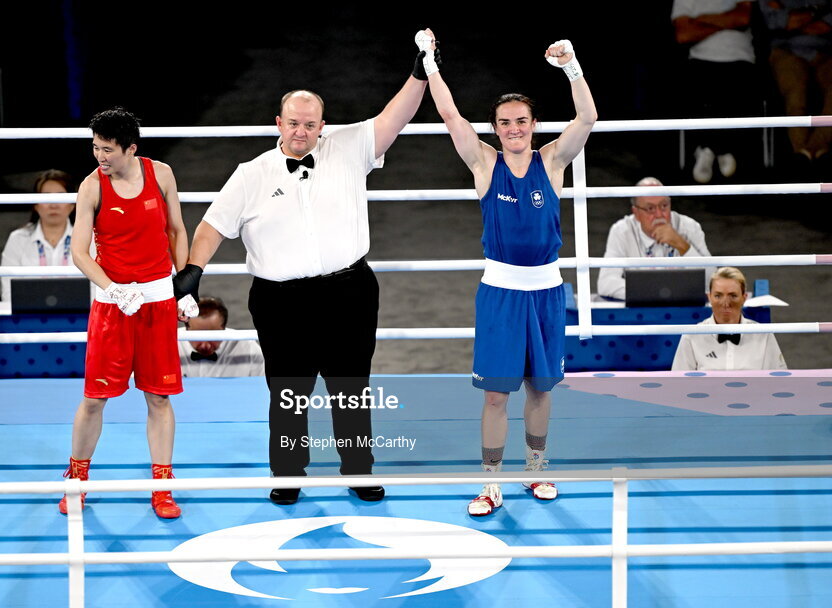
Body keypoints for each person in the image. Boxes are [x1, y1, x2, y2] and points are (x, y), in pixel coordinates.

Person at [173, 47, 432, 506]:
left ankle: (358, 469)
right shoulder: (250, 174)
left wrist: (419, 72)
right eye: (293, 123)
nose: (301, 131)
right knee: (287, 389)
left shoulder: (350, 147)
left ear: (322, 126)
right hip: (280, 300)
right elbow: (212, 226)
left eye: (310, 124)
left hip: (349, 290)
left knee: (351, 385)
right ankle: (289, 473)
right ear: (279, 123)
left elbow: (397, 116)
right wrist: (194, 269)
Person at [422, 30, 597, 515]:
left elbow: (588, 118)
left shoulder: (553, 161)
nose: (514, 128)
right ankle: (490, 483)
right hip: (500, 291)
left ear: (534, 124)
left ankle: (536, 470)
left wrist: (572, 66)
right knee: (497, 394)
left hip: (545, 291)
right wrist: (430, 61)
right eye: (505, 122)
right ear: (495, 128)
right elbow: (449, 115)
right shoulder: (483, 162)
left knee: (541, 388)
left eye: (521, 120)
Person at [60, 107, 191, 518]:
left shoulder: (162, 174)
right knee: (95, 398)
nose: (100, 156)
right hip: (112, 306)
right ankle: (76, 479)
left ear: (130, 148)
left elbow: (176, 231)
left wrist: (184, 286)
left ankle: (162, 486)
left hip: (157, 302)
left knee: (158, 396)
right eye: (95, 147)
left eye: (108, 150)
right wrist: (112, 289)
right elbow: (79, 253)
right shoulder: (90, 187)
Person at [672, 0, 758, 183]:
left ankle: (708, 149)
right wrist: (727, 21)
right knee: (700, 87)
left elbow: (742, 18)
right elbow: (684, 34)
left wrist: (702, 20)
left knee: (737, 88)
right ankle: (721, 149)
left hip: (741, 61)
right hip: (700, 61)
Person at [597, 177, 713, 301]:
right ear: (636, 213)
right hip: (643, 311)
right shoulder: (622, 231)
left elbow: (713, 282)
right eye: (650, 208)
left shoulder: (690, 227)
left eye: (664, 206)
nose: (659, 214)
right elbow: (606, 283)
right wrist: (655, 293)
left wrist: (682, 245)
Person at [758, 0, 832, 178]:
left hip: (826, 53)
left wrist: (795, 20)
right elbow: (777, 21)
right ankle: (805, 161)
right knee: (796, 92)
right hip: (786, 51)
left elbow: (825, 26)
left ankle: (808, 152)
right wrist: (817, 11)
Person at [671, 267, 787, 370]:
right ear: (709, 297)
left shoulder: (763, 335)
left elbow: (779, 381)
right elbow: (678, 385)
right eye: (718, 296)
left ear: (744, 297)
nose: (725, 303)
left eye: (733, 296)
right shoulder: (691, 336)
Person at [0, 169, 81, 306]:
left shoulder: (89, 240)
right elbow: (8, 293)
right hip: (29, 321)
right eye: (46, 197)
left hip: (80, 321)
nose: (53, 205)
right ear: (35, 204)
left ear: (72, 204)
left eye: (61, 197)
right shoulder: (17, 239)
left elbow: (96, 292)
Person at [178, 296, 264, 377]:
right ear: (187, 328)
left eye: (213, 336)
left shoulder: (248, 348)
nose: (205, 345)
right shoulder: (168, 344)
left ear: (224, 328)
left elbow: (270, 387)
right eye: (197, 336)